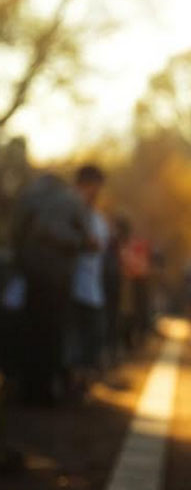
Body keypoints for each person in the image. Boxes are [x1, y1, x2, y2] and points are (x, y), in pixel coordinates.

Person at [12, 172, 91, 404]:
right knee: (53, 332)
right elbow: (86, 239)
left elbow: (15, 233)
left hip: (32, 275)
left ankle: (26, 388)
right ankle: (47, 389)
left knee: (30, 329)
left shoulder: (28, 196)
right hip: (59, 277)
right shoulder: (72, 200)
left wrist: (22, 261)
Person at [66, 165, 109, 396]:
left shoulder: (98, 219)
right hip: (70, 287)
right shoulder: (68, 211)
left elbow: (99, 246)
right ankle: (71, 381)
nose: (96, 192)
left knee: (91, 337)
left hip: (92, 290)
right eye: (92, 186)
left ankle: (81, 382)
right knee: (73, 337)